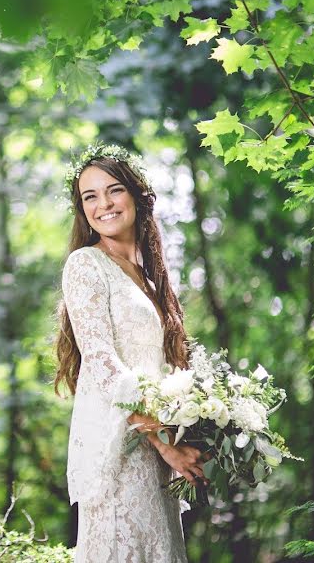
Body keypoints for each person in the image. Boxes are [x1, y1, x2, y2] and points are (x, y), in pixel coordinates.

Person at [55, 144, 205, 562]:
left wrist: (193, 432)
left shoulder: (150, 276)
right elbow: (103, 364)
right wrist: (163, 444)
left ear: (137, 196)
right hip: (119, 449)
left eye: (113, 190)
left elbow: (165, 369)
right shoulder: (86, 264)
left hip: (156, 452)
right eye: (89, 196)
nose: (103, 204)